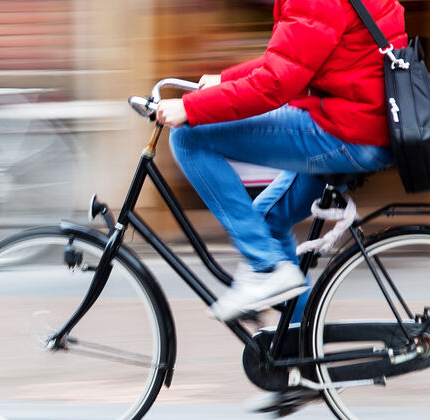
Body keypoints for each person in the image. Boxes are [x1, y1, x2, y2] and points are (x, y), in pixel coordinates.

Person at [157, 0, 407, 323]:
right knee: (265, 222)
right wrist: (225, 79)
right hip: (364, 125)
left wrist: (191, 108)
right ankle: (302, 349)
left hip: (345, 131)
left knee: (188, 138)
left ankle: (265, 267)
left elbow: (275, 84)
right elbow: (296, 57)